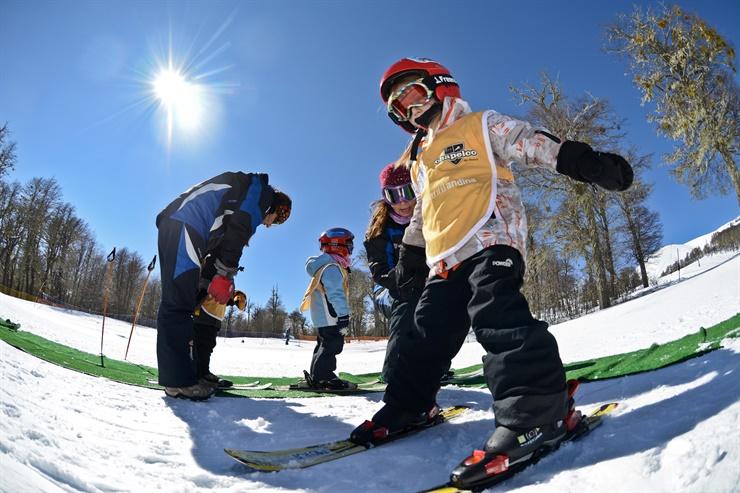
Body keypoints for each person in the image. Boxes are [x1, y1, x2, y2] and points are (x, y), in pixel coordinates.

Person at [350, 58, 633, 478]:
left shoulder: (480, 124)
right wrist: (411, 253)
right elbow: (423, 210)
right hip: (444, 255)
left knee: (495, 314)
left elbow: (528, 141)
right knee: (425, 330)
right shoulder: (421, 157)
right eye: (400, 108)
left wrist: (581, 162)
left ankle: (540, 411)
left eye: (412, 94)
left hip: (491, 236)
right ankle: (410, 405)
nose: (410, 109)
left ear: (439, 85)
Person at [156, 172, 291, 400]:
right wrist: (225, 274)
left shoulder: (243, 197)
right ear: (276, 206)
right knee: (178, 304)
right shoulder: (261, 193)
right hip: (186, 222)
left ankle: (188, 372)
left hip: (187, 226)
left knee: (186, 302)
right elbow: (240, 228)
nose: (271, 225)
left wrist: (208, 281)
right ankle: (177, 381)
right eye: (277, 218)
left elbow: (221, 247)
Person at [364, 163, 426, 384]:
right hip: (389, 290)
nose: (403, 202)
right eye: (393, 195)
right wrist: (406, 277)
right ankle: (394, 373)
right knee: (409, 304)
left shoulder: (429, 218)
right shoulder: (380, 229)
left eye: (407, 192)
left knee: (440, 303)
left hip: (424, 284)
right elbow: (379, 271)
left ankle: (433, 365)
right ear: (385, 197)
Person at [299, 227, 357, 390]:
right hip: (331, 315)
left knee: (324, 344)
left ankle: (317, 374)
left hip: (323, 317)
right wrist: (343, 315)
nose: (351, 249)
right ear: (337, 245)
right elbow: (335, 294)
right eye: (349, 244)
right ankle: (324, 376)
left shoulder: (327, 265)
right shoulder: (331, 267)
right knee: (332, 344)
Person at [192, 289, 247, 390]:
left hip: (213, 316)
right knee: (203, 344)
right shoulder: (214, 274)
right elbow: (209, 286)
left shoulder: (228, 278)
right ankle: (201, 375)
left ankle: (202, 373)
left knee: (207, 345)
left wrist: (232, 297)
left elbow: (222, 291)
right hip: (206, 313)